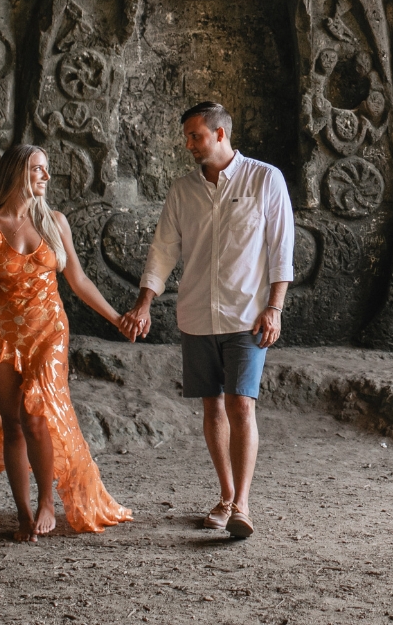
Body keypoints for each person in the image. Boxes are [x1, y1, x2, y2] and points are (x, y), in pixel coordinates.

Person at [122, 101, 294, 539]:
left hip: (248, 315)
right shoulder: (183, 189)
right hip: (197, 313)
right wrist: (144, 304)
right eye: (188, 138)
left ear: (220, 134)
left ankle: (242, 503)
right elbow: (163, 250)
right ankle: (225, 494)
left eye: (196, 136)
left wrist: (274, 308)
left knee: (241, 403)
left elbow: (281, 249)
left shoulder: (265, 179)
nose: (189, 145)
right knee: (212, 405)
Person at [0, 143, 137, 542]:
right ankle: (24, 514)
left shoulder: (55, 222)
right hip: (4, 335)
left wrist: (115, 318)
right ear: (16, 174)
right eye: (38, 170)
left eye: (46, 170)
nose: (46, 177)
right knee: (12, 424)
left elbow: (77, 281)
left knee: (36, 414)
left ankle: (47, 500)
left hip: (49, 331)